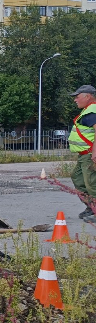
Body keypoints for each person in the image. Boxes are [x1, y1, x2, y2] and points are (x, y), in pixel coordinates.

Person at [68, 85, 96, 224]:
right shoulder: (87, 111)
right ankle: (91, 207)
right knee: (77, 178)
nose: (75, 100)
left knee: (91, 183)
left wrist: (95, 152)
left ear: (88, 96)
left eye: (77, 97)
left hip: (90, 154)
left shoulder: (92, 111)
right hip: (84, 155)